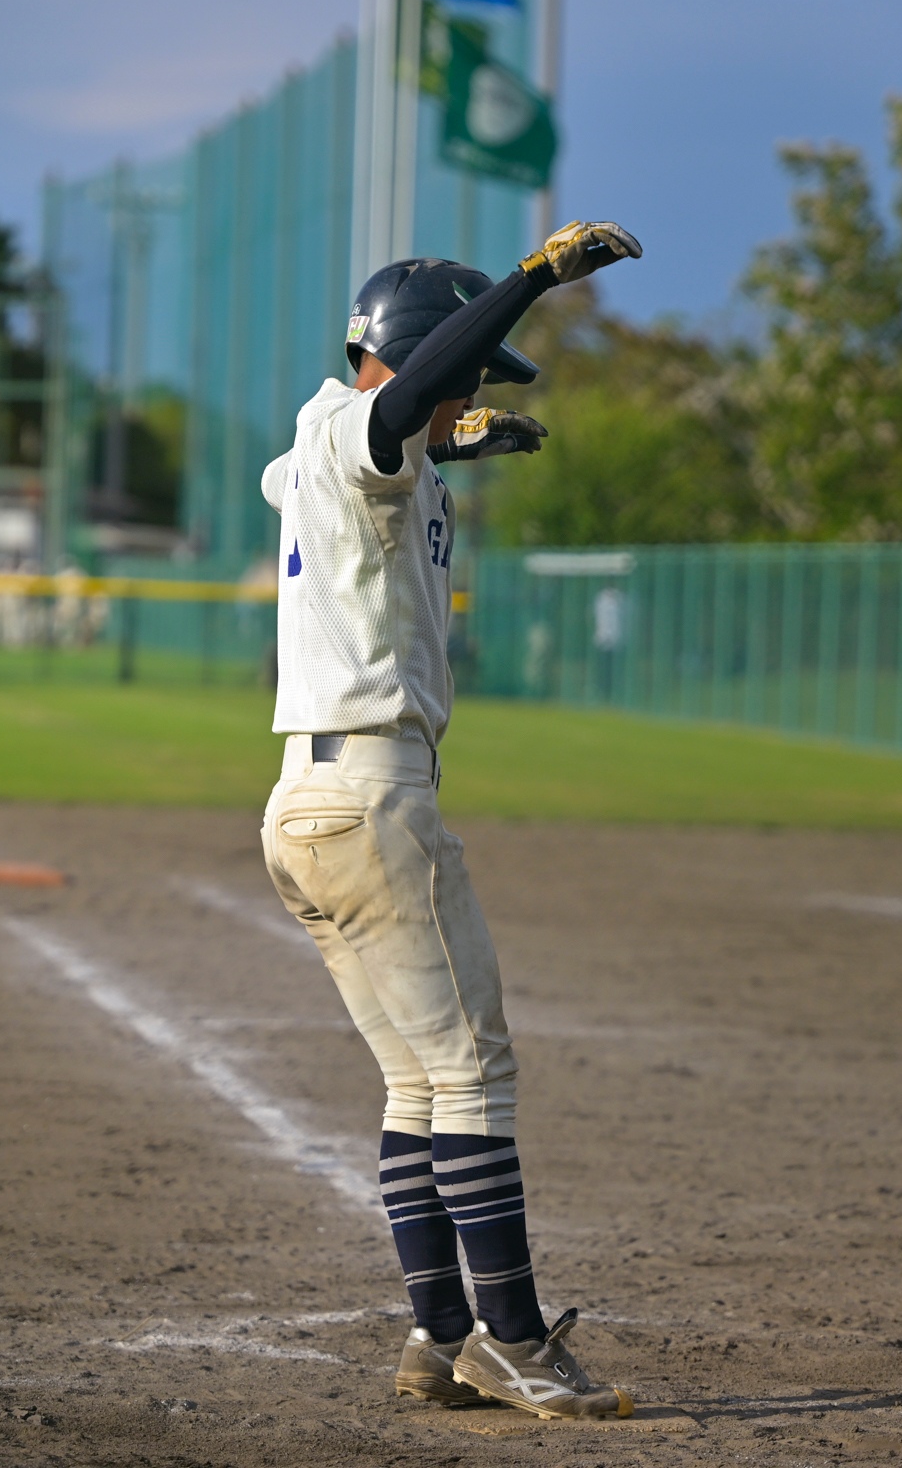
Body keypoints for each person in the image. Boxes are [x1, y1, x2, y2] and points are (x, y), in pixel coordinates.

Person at [257, 221, 642, 1421]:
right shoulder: (354, 432)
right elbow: (395, 403)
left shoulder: (329, 452)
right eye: (467, 376)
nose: (474, 396)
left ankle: (437, 1335)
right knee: (474, 1069)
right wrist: (533, 280)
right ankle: (513, 1339)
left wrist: (450, 441)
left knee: (418, 1081)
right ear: (431, 358)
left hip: (309, 802)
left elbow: (352, 451)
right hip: (373, 797)